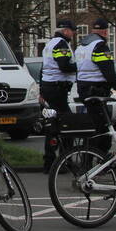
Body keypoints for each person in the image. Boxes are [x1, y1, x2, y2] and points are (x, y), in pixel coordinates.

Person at [75, 18, 116, 154]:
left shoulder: (81, 46)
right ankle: (100, 159)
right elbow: (109, 73)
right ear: (105, 31)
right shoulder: (100, 46)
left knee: (95, 126)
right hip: (96, 91)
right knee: (104, 128)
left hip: (83, 89)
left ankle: (89, 159)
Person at [39, 19, 78, 171]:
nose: (73, 33)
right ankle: (63, 160)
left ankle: (50, 161)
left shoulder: (50, 44)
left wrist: (42, 90)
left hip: (50, 88)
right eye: (72, 30)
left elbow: (44, 69)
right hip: (57, 90)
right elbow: (64, 66)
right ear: (66, 30)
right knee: (67, 124)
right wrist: (80, 65)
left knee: (52, 125)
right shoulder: (61, 44)